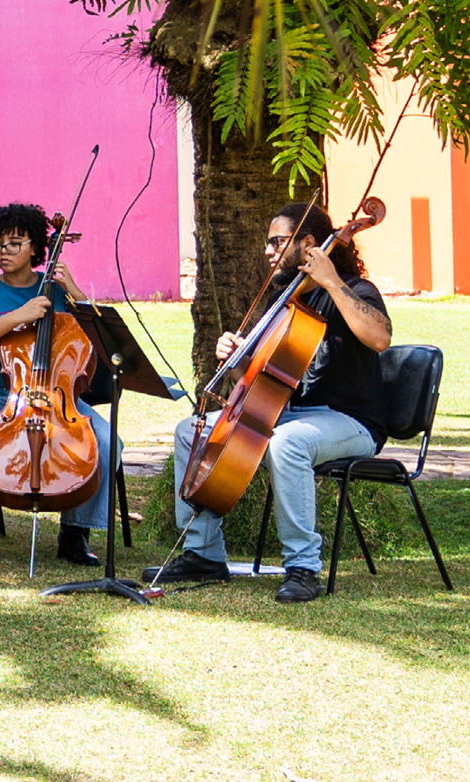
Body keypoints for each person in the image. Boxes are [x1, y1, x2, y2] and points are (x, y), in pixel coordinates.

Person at [155, 206, 391, 603]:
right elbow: (264, 382)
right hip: (289, 415)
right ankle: (203, 554)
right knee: (189, 432)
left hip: (350, 421)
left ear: (309, 245)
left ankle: (303, 567)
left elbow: (380, 338)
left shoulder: (355, 290)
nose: (268, 251)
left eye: (277, 242)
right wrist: (235, 362)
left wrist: (332, 282)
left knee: (287, 443)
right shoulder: (284, 302)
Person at [0, 203, 114, 569]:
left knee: (107, 439)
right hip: (0, 395)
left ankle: (75, 533)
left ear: (36, 247)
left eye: (14, 243)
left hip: (58, 395)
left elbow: (102, 337)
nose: (4, 251)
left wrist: (75, 292)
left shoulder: (57, 290)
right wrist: (19, 316)